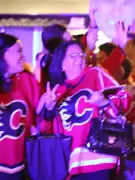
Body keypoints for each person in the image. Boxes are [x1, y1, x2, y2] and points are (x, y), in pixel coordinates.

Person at [40, 40, 130, 179]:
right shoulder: (57, 91)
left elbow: (123, 98)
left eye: (81, 55)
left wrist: (104, 103)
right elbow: (45, 131)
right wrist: (48, 110)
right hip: (72, 163)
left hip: (100, 156)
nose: (79, 59)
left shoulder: (95, 74)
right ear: (61, 64)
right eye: (72, 56)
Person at [0, 33, 40, 180]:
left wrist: (47, 104)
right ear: (3, 54)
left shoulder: (26, 80)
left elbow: (39, 113)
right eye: (18, 51)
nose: (23, 56)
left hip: (21, 164)